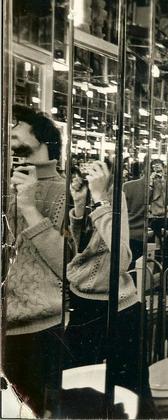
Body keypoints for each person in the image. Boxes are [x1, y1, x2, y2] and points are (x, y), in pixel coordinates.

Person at [65, 159, 154, 413]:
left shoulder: (115, 198)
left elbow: (122, 259)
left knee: (132, 392)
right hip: (83, 300)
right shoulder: (99, 199)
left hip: (118, 304)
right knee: (75, 386)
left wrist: (101, 200)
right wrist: (80, 206)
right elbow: (80, 250)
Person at [4, 105, 67, 417]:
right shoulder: (5, 186)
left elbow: (67, 265)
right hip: (6, 322)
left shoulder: (64, 192)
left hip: (40, 327)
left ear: (43, 143)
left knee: (33, 411)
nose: (10, 141)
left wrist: (29, 207)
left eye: (16, 135)